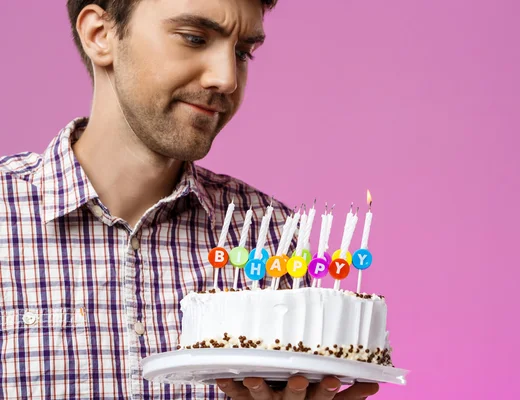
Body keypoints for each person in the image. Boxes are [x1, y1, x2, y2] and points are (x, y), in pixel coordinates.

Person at [0, 0, 380, 399]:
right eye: (195, 38)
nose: (226, 78)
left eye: (242, 52)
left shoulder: (275, 242)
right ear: (101, 35)